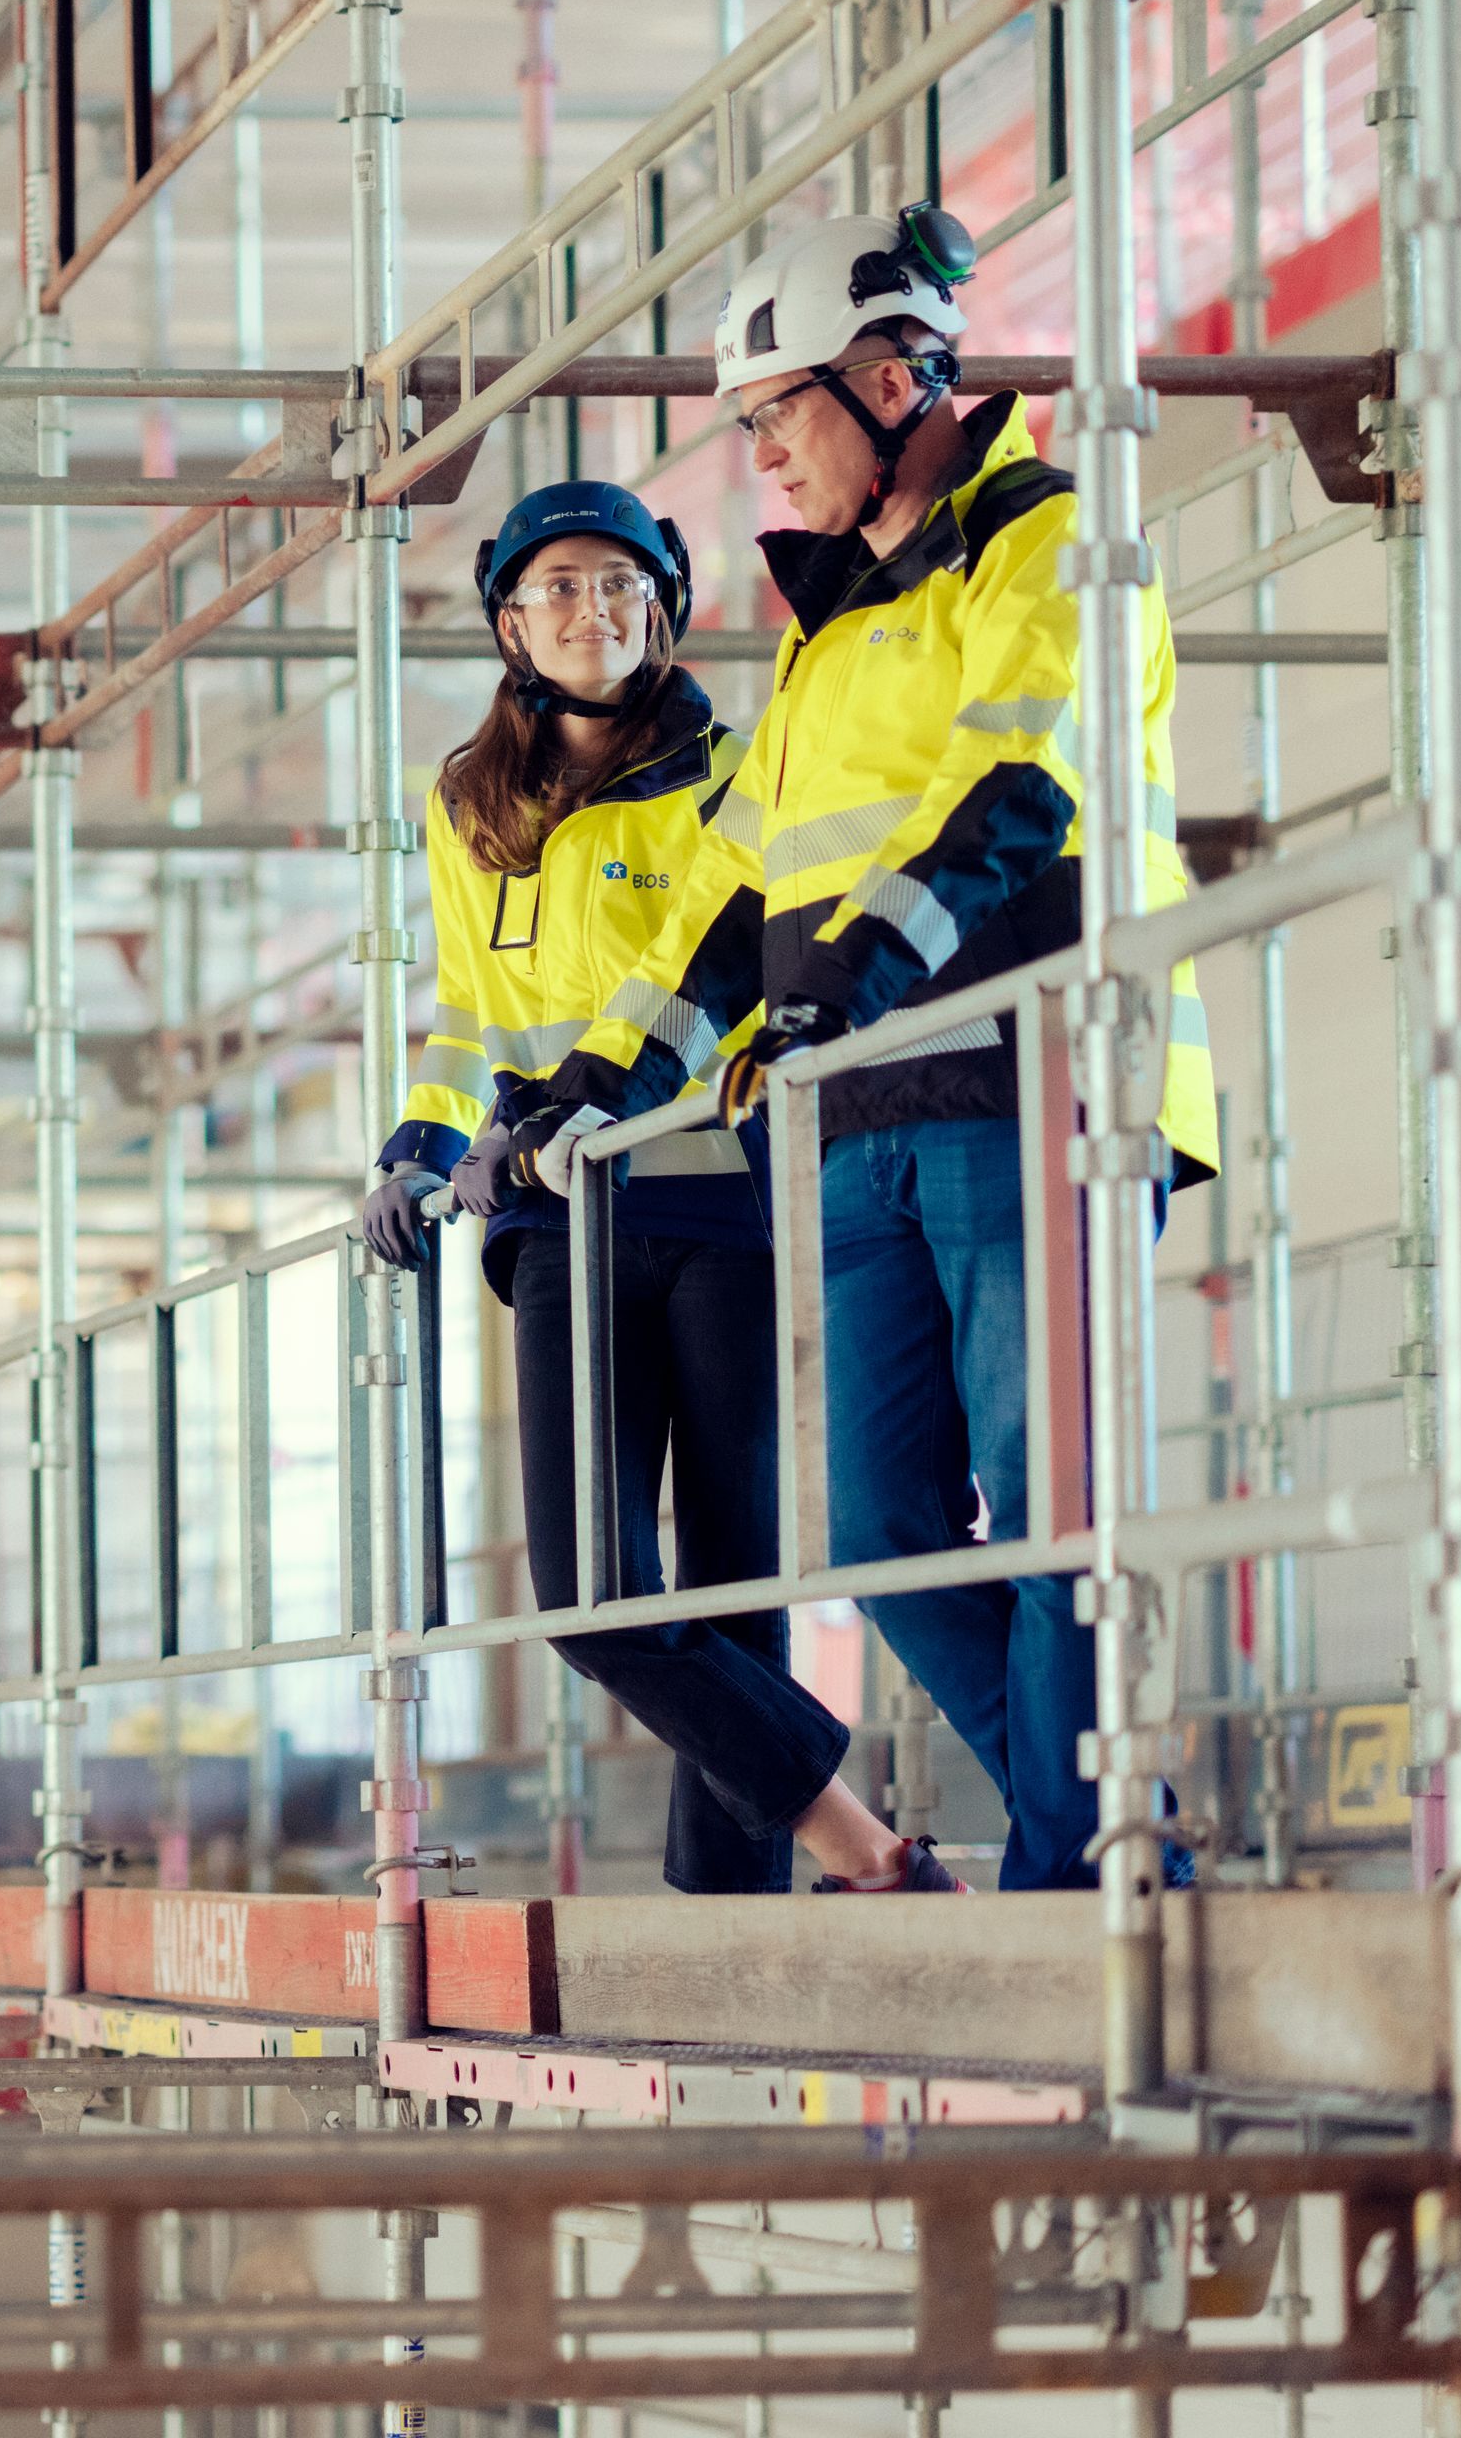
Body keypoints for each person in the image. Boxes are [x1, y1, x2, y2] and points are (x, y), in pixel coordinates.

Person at [459, 209, 1217, 1893]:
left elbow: (1028, 791)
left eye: (775, 415)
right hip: (860, 1120)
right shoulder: (831, 623)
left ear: (890, 382)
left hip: (1043, 1085)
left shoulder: (1049, 544)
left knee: (1045, 1511)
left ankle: (1074, 1881)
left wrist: (857, 975)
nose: (760, 458)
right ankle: (1092, 1832)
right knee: (876, 1540)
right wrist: (605, 1077)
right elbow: (736, 891)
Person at [360, 479, 952, 1896]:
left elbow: (727, 982)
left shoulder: (742, 771)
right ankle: (864, 1845)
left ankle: (728, 1922)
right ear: (510, 620)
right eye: (558, 587)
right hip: (559, 1218)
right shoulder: (463, 803)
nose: (591, 610)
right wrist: (423, 1138)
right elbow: (470, 1013)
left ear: (662, 608)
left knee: (737, 1583)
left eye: (619, 585)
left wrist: (602, 1096)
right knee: (593, 1600)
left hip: (723, 1200)